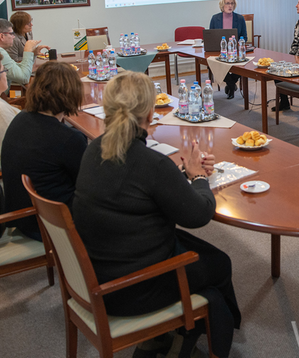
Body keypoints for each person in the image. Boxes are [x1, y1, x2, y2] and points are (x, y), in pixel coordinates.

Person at [73, 73, 241, 358]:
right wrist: (199, 177)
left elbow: (138, 188)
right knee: (219, 264)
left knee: (201, 254)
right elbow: (199, 214)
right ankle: (191, 332)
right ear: (151, 113)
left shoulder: (93, 150)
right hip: (133, 288)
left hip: (97, 272)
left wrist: (184, 173)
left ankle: (166, 337)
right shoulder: (152, 163)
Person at [1, 62, 87, 241]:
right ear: (72, 94)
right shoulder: (69, 139)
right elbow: (88, 187)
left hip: (23, 215)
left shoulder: (20, 119)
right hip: (53, 224)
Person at [208, 0, 248, 99]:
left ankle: (231, 83)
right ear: (222, 5)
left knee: (243, 64)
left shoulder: (240, 18)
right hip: (219, 52)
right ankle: (231, 84)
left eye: (232, 3)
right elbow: (210, 37)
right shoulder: (215, 18)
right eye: (227, 3)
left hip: (235, 52)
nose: (230, 6)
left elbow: (244, 37)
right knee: (213, 64)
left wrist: (239, 43)